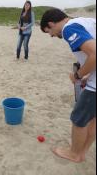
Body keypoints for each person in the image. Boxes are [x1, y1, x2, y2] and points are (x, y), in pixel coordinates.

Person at [40, 9, 96, 163]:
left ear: (51, 23)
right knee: (93, 119)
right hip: (94, 79)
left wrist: (78, 75)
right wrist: (88, 75)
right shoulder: (84, 21)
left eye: (48, 31)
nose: (51, 35)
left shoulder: (69, 29)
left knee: (79, 118)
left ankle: (74, 154)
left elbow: (95, 54)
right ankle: (82, 152)